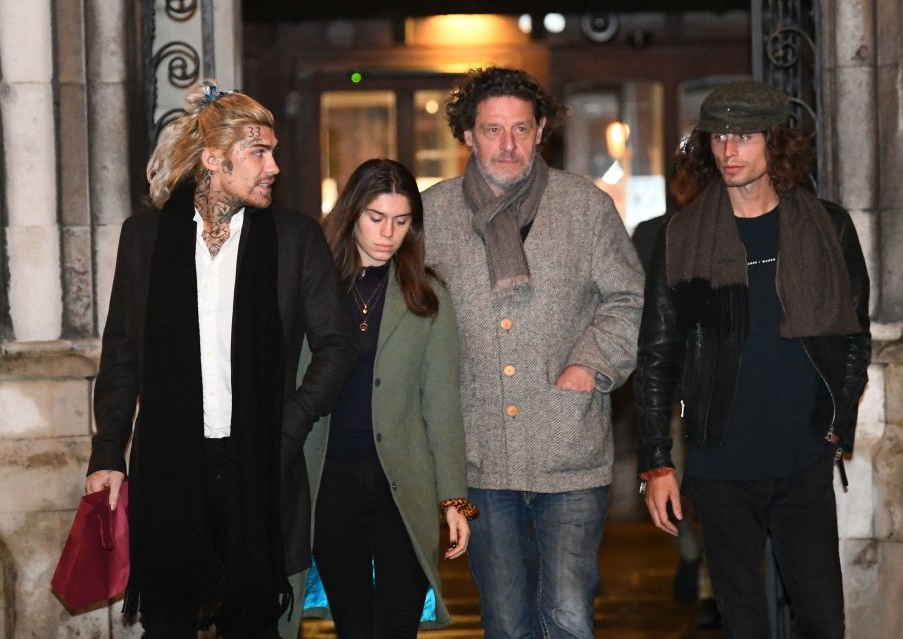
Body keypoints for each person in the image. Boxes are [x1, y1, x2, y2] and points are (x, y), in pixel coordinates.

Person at [84, 80, 357, 638]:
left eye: (273, 152)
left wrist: (290, 424)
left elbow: (337, 345)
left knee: (254, 618)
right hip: (169, 461)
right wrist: (107, 452)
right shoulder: (146, 238)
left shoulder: (294, 238)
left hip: (260, 461)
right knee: (168, 617)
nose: (273, 166)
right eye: (259, 153)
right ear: (213, 159)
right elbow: (121, 354)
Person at [634, 79, 871, 638]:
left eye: (743, 137)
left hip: (803, 456)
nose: (729, 151)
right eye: (718, 137)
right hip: (721, 462)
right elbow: (657, 356)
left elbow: (854, 334)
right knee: (743, 623)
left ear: (775, 142)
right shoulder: (680, 237)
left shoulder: (828, 227)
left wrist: (834, 425)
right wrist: (657, 462)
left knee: (822, 619)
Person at [422, 66, 645, 638]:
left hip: (569, 451)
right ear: (467, 135)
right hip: (479, 456)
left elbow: (627, 298)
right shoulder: (432, 215)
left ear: (541, 129)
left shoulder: (584, 207)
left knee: (569, 613)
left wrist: (589, 364)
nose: (507, 145)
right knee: (504, 619)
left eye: (520, 129)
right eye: (493, 130)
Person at [280, 158, 475, 639]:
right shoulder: (312, 287)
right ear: (351, 214)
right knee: (353, 624)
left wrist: (455, 500)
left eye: (402, 221)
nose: (389, 233)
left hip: (402, 484)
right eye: (376, 218)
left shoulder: (427, 297)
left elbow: (442, 404)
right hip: (328, 481)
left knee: (398, 622)